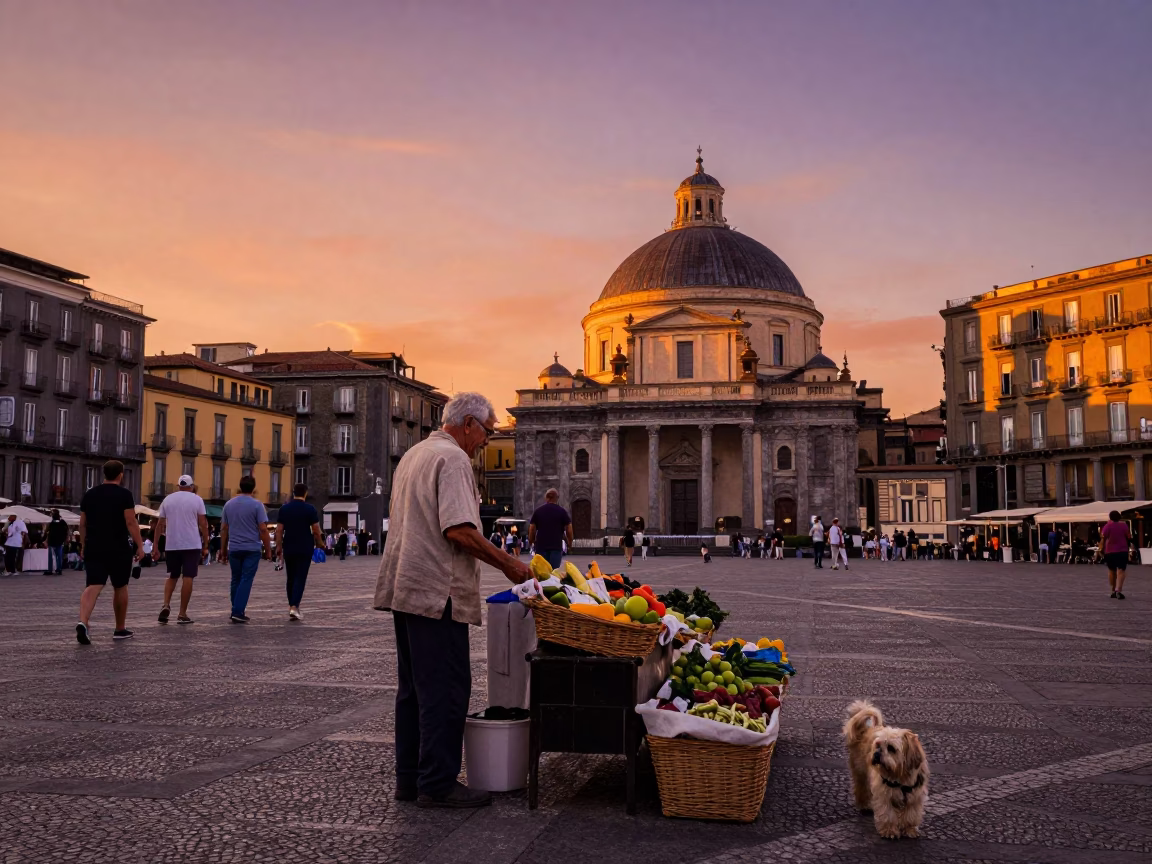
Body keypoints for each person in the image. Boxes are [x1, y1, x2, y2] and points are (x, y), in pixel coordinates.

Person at [373, 392, 531, 808]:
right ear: (467, 424)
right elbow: (458, 530)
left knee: (413, 690)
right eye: (487, 432)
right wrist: (509, 565)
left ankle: (410, 780)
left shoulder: (414, 455)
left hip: (405, 586)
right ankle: (438, 784)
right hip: (436, 590)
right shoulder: (455, 460)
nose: (487, 442)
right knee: (446, 689)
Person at [76, 460, 145, 644]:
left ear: (104, 474)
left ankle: (83, 622)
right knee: (120, 586)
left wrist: (83, 544)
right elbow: (130, 522)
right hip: (118, 546)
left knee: (94, 585)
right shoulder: (124, 495)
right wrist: (140, 545)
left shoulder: (90, 495)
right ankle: (120, 629)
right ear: (120, 474)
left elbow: (82, 523)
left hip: (94, 545)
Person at [154, 475, 209, 625]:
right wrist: (206, 544)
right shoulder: (197, 499)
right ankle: (182, 613)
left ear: (178, 486)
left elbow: (160, 524)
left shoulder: (168, 499)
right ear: (191, 487)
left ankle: (165, 604)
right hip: (191, 544)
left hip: (172, 544)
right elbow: (203, 523)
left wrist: (155, 546)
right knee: (188, 577)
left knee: (172, 575)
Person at [219, 475, 273, 623]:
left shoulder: (228, 505)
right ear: (253, 487)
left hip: (234, 548)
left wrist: (223, 549)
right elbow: (263, 529)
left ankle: (236, 608)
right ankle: (238, 611)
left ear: (240, 486)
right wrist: (268, 549)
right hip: (251, 548)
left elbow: (224, 529)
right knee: (246, 579)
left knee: (235, 579)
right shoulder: (257, 505)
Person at [275, 483, 324, 620]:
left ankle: (292, 604)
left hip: (289, 546)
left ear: (293, 492)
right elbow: (315, 530)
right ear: (306, 493)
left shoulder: (284, 509)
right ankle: (294, 607)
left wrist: (279, 547)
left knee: (290, 577)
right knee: (300, 577)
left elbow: (279, 530)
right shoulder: (310, 509)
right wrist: (320, 544)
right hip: (305, 547)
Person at [529, 488, 572, 571]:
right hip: (556, 547)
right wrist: (569, 542)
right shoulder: (562, 511)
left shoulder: (538, 511)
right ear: (557, 498)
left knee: (542, 572)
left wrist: (531, 541)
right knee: (553, 572)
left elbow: (532, 529)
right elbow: (569, 528)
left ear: (546, 497)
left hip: (541, 547)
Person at [1100, 510, 1131, 599]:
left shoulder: (1107, 526)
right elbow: (1128, 536)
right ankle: (1118, 590)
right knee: (1121, 570)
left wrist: (1101, 549)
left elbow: (1103, 537)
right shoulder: (1124, 525)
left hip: (1110, 551)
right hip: (1122, 550)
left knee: (1111, 571)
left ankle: (1113, 590)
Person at [46, 509, 68, 575]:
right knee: (58, 556)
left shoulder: (52, 523)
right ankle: (59, 569)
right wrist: (64, 539)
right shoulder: (62, 522)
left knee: (51, 556)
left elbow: (48, 531)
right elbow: (66, 531)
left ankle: (51, 570)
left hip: (52, 541)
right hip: (59, 541)